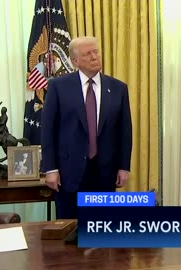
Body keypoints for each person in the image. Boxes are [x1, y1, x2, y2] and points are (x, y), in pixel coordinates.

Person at [41, 36, 133, 219]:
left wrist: (124, 166)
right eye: (87, 54)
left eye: (96, 52)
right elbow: (48, 130)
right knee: (69, 231)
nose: (94, 57)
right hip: (69, 172)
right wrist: (50, 169)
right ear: (75, 61)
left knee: (101, 229)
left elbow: (125, 132)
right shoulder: (58, 87)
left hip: (105, 171)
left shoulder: (118, 88)